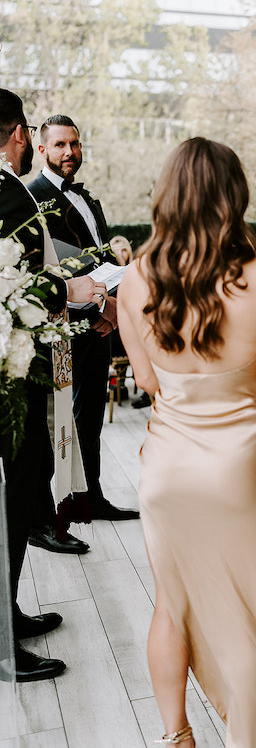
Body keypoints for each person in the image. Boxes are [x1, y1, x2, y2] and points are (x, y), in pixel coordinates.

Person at [118, 138, 256, 748]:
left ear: (168, 195)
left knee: (171, 606)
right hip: (239, 468)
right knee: (246, 611)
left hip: (167, 468)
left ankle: (177, 745)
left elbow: (146, 381)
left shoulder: (136, 278)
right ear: (234, 195)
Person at [0, 88, 106, 680]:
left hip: (22, 362)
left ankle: (7, 614)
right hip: (15, 371)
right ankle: (0, 640)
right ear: (21, 135)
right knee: (16, 498)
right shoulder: (8, 191)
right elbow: (24, 278)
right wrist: (75, 293)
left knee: (23, 488)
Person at [29, 115, 139, 527]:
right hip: (65, 326)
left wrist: (115, 307)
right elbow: (53, 268)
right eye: (60, 145)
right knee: (57, 421)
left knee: (90, 414)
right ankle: (51, 514)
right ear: (42, 149)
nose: (70, 152)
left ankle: (90, 497)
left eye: (74, 144)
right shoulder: (32, 196)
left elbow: (103, 258)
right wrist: (102, 307)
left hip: (100, 323)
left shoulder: (88, 198)